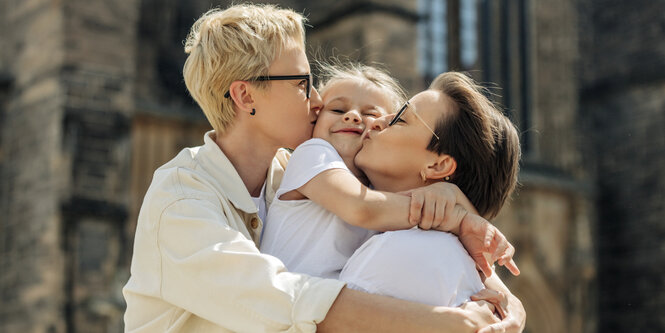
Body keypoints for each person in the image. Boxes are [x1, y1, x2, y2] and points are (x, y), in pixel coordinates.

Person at [123, 4, 525, 332]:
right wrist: (443, 323)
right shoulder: (180, 200)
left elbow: (451, 261)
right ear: (246, 96)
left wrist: (508, 305)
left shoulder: (297, 174)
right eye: (302, 82)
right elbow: (283, 298)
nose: (316, 99)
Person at [261, 63, 517, 282]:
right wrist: (458, 216)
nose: (355, 118)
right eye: (337, 110)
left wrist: (509, 300)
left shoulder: (381, 198)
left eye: (393, 119)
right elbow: (362, 208)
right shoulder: (313, 154)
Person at [339, 71, 522, 308]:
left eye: (400, 120)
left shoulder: (401, 254)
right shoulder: (450, 255)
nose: (377, 120)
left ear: (438, 165)